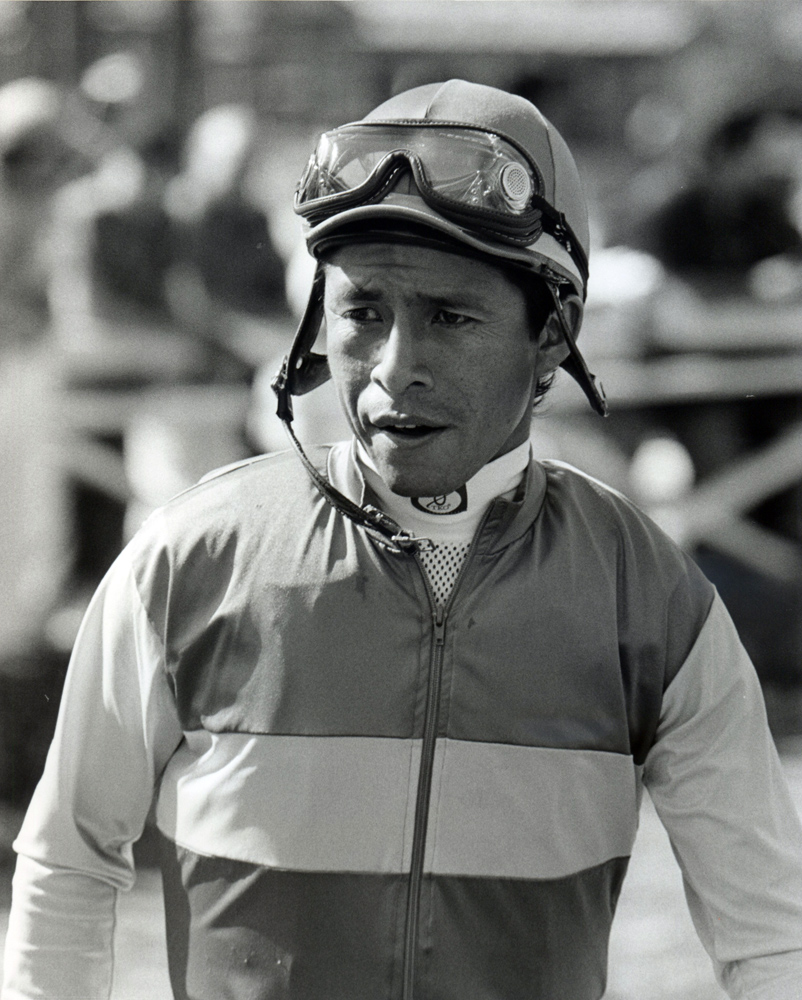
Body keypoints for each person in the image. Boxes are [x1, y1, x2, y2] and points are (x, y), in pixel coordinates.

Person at [4, 79, 802, 1000]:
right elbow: (66, 862)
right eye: (363, 312)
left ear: (554, 335)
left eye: (451, 318)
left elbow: (771, 934)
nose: (394, 369)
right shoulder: (187, 557)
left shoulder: (649, 591)